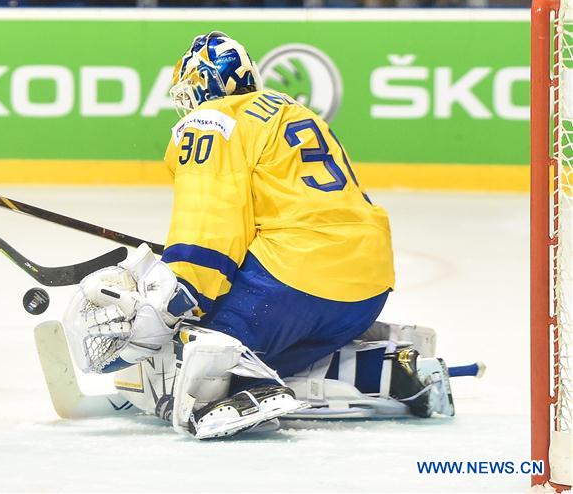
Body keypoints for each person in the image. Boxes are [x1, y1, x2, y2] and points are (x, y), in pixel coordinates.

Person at [63, 32, 455, 438]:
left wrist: (174, 299)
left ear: (202, 85)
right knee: (275, 350)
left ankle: (235, 388)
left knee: (189, 345)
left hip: (292, 283)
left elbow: (210, 225)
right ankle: (390, 368)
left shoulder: (211, 121)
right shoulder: (292, 109)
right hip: (365, 292)